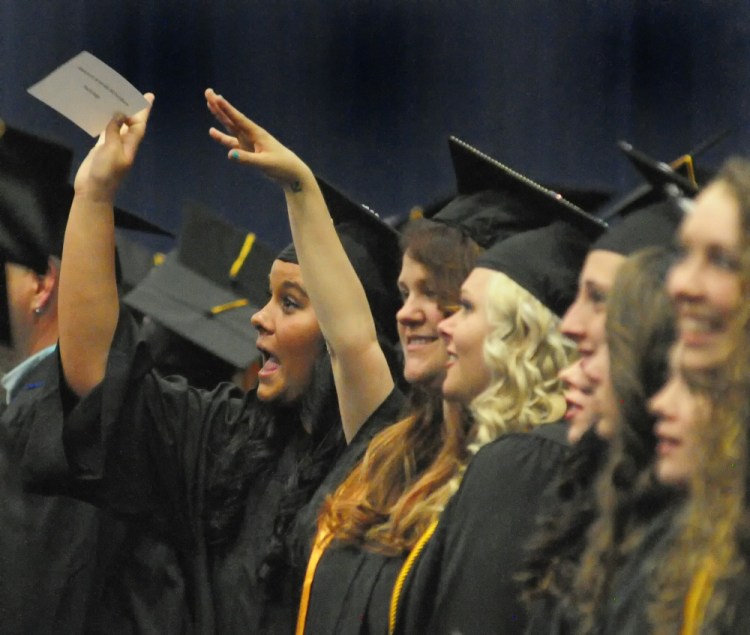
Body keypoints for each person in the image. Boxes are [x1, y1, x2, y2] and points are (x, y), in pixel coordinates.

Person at [204, 89, 597, 634]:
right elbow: (352, 341)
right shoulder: (393, 444)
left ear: (512, 323)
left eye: (443, 298)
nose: (410, 315)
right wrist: (298, 186)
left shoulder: (526, 480)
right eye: (405, 293)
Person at [54, 93, 405, 634]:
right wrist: (94, 195)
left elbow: (353, 344)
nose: (258, 319)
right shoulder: (228, 444)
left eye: (290, 303)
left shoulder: (390, 466)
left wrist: (299, 188)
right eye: (267, 298)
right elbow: (97, 376)